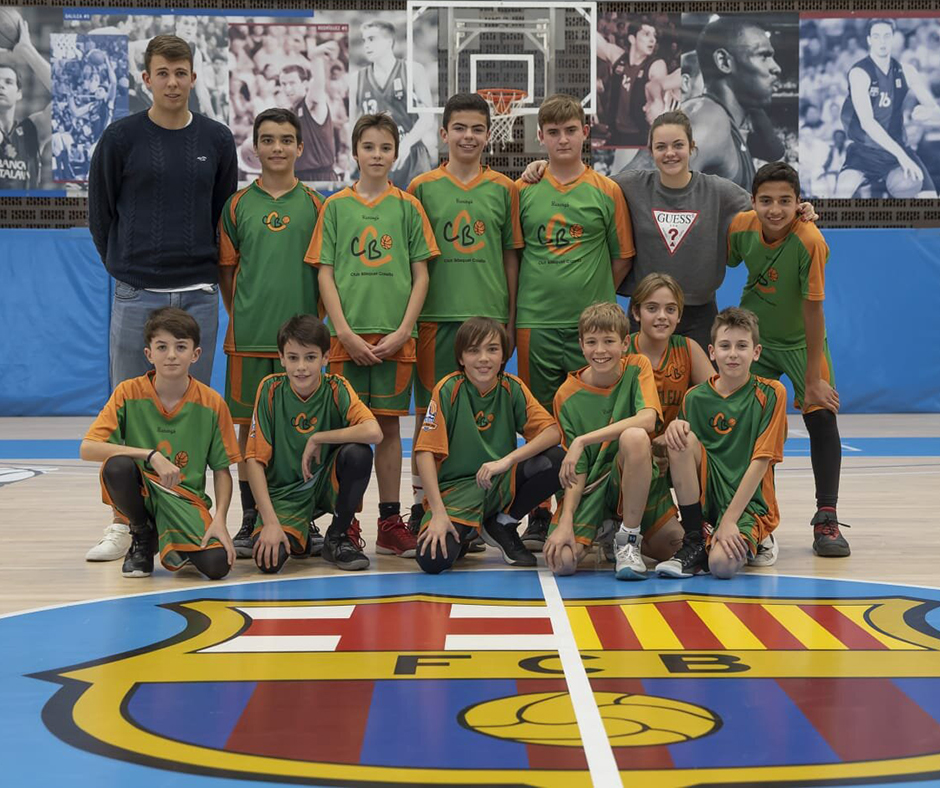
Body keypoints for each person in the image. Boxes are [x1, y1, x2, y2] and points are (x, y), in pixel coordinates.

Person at [87, 35, 237, 563]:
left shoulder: (217, 140)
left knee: (187, 412)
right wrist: (128, 270)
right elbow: (100, 215)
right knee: (129, 411)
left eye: (181, 72)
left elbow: (223, 219)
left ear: (194, 77)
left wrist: (209, 280)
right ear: (145, 79)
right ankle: (124, 524)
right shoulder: (120, 138)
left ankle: (187, 512)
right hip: (136, 292)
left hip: (198, 291)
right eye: (162, 72)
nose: (173, 81)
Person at [521, 110, 816, 351]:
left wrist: (801, 212)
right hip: (645, 315)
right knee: (644, 399)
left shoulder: (720, 192)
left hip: (699, 314)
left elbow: (769, 210)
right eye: (661, 147)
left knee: (700, 399)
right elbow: (580, 180)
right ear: (651, 151)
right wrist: (543, 167)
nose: (670, 153)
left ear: (692, 147)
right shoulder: (628, 186)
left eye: (678, 145)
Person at [305, 112, 438, 559]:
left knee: (385, 430)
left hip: (393, 341)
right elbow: (325, 273)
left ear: (396, 154)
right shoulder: (336, 207)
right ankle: (342, 525)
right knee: (345, 432)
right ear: (355, 152)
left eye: (385, 148)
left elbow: (421, 276)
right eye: (369, 147)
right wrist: (341, 329)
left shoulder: (408, 207)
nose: (377, 155)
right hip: (347, 337)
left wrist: (404, 331)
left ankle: (387, 521)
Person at [516, 93, 635, 538]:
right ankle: (540, 512)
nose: (563, 139)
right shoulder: (524, 189)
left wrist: (594, 295)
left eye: (571, 130)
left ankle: (600, 509)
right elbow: (515, 256)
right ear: (540, 137)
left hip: (594, 332)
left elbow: (621, 258)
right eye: (553, 132)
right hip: (536, 324)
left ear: (585, 133)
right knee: (542, 423)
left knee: (594, 423)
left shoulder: (607, 191)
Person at [404, 93, 523, 535]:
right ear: (444, 133)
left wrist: (508, 316)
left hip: (488, 318)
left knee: (483, 418)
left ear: (488, 134)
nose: (468, 136)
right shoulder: (421, 188)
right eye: (460, 128)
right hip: (437, 319)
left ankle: (478, 508)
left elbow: (510, 256)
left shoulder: (504, 189)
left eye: (477, 128)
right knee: (430, 416)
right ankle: (424, 505)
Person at [217, 107, 325, 559]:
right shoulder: (237, 205)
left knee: (305, 430)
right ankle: (249, 520)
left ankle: (306, 519)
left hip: (301, 348)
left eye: (285, 139)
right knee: (248, 436)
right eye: (267, 139)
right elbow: (227, 273)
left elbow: (325, 275)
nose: (276, 147)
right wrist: (243, 315)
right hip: (250, 340)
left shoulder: (318, 206)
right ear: (254, 146)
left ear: (301, 147)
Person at [729, 162, 849, 557]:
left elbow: (814, 311)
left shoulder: (809, 240)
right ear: (753, 202)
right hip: (756, 340)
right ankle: (756, 518)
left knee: (821, 415)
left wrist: (812, 379)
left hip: (801, 341)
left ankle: (826, 517)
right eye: (766, 201)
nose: (775, 209)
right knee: (749, 425)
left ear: (800, 204)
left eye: (785, 201)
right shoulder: (741, 227)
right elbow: (725, 261)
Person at [79, 307, 240, 580]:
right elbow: (88, 448)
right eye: (162, 347)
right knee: (117, 466)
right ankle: (142, 535)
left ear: (195, 354)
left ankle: (173, 540)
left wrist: (221, 521)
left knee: (218, 565)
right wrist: (149, 454)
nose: (172, 355)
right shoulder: (128, 392)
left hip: (184, 500)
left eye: (181, 347)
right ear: (148, 354)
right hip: (144, 492)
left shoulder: (212, 403)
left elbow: (222, 471)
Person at [414, 318, 563, 573]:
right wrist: (438, 513)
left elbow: (551, 432)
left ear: (504, 354)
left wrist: (506, 461)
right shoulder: (448, 389)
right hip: (456, 492)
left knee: (557, 460)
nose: (484, 358)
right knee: (432, 559)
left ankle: (502, 523)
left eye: (492, 349)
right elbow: (425, 453)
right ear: (461, 357)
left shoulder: (511, 387)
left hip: (498, 483)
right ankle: (468, 531)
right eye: (474, 350)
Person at [245, 316, 382, 574]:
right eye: (293, 357)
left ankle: (337, 536)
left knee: (358, 453)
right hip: (284, 495)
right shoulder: (270, 390)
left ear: (325, 358)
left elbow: (374, 432)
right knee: (268, 562)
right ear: (281, 358)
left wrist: (319, 437)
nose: (301, 367)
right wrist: (271, 523)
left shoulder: (336, 387)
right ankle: (298, 534)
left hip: (322, 485)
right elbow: (254, 460)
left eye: (310, 357)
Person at [659, 307, 787, 579]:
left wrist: (729, 521)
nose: (732, 354)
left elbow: (761, 461)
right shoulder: (694, 397)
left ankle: (758, 535)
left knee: (721, 566)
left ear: (756, 352)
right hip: (709, 499)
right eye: (725, 346)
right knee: (679, 435)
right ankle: (695, 538)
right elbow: (684, 461)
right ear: (712, 352)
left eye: (742, 346)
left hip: (750, 501)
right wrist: (674, 425)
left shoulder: (771, 392)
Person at [544, 303, 661, 579]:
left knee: (634, 437)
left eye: (609, 341)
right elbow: (578, 469)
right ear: (581, 345)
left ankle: (628, 539)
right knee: (562, 562)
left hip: (629, 478)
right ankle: (606, 527)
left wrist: (582, 440)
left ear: (624, 344)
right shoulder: (566, 396)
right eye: (592, 342)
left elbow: (648, 420)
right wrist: (566, 520)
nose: (600, 351)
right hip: (591, 489)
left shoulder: (637, 367)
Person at [627, 273, 714, 560]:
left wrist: (678, 429)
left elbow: (720, 403)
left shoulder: (688, 349)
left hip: (673, 460)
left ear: (679, 315)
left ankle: (711, 523)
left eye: (670, 309)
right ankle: (617, 523)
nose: (661, 316)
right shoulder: (620, 351)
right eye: (652, 308)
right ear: (636, 313)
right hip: (631, 460)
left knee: (674, 549)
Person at [836, 18, 940, 198]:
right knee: (840, 196)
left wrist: (929, 113)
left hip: (898, 145)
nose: (882, 41)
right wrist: (902, 157)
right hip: (865, 150)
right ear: (869, 40)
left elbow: (935, 109)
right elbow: (868, 123)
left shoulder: (907, 71)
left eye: (886, 36)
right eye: (876, 37)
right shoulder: (859, 73)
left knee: (930, 200)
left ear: (893, 39)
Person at [682, 16, 787, 189]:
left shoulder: (727, 121)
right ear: (724, 62)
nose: (776, 68)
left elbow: (774, 152)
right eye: (763, 56)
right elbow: (634, 192)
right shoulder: (707, 119)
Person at [349, 20, 434, 189]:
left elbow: (427, 117)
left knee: (416, 212)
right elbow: (352, 124)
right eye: (364, 40)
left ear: (389, 42)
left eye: (372, 39)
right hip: (375, 158)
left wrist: (405, 144)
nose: (367, 45)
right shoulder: (356, 79)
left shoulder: (413, 71)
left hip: (410, 154)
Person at [596, 19, 668, 146]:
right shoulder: (618, 57)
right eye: (646, 34)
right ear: (632, 39)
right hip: (615, 132)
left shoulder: (656, 65)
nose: (653, 40)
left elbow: (658, 85)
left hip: (640, 137)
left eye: (654, 35)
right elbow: (594, 39)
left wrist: (658, 101)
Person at [0, 17, 51, 190]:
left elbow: (68, 95)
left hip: (24, 214)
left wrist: (27, 50)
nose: (1, 85)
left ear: (19, 93)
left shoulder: (33, 130)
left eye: (8, 82)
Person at [278, 43, 340, 182]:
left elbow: (318, 85)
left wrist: (315, 58)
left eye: (292, 83)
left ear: (305, 84)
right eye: (283, 84)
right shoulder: (287, 114)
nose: (287, 88)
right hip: (296, 178)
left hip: (321, 178)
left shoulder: (311, 103)